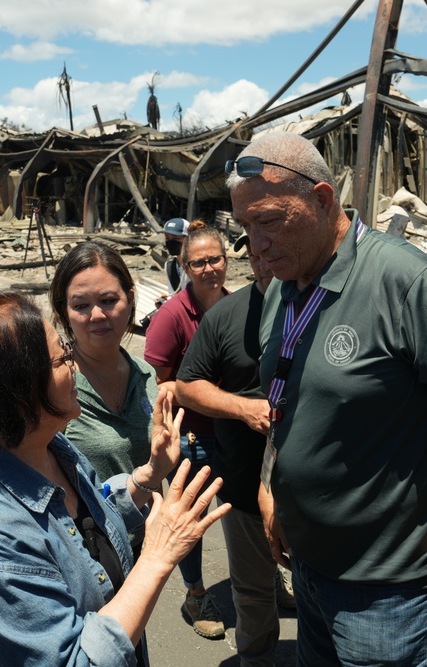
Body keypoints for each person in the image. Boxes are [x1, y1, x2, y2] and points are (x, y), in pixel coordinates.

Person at [226, 132, 427, 666]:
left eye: (269, 221)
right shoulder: (284, 286)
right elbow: (286, 398)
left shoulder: (410, 283)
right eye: (245, 227)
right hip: (308, 571)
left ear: (322, 200)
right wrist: (272, 486)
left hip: (387, 594)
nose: (256, 245)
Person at [0, 290, 229, 666]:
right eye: (61, 358)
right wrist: (157, 555)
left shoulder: (47, 447)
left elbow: (84, 513)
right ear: (20, 394)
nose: (74, 366)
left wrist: (146, 479)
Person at [175, 232, 291, 666]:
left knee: (323, 586)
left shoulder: (321, 306)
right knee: (253, 591)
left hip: (312, 489)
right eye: (255, 251)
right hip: (243, 484)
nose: (264, 258)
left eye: (272, 246)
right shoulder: (225, 315)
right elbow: (186, 385)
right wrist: (243, 409)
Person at [144, 219, 230, 639]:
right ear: (184, 266)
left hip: (234, 432)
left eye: (215, 258)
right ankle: (195, 592)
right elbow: (163, 384)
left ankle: (267, 575)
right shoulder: (173, 315)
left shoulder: (237, 305)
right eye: (199, 262)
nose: (209, 268)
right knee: (191, 516)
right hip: (193, 436)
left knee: (245, 508)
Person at [49, 241, 158, 479]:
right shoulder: (56, 385)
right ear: (64, 311)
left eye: (108, 300)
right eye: (81, 305)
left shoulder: (146, 374)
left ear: (129, 300)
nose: (97, 315)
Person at [163, 217, 190, 295]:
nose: (171, 242)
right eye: (167, 238)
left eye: (176, 238)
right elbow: (173, 295)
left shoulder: (196, 265)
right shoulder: (169, 266)